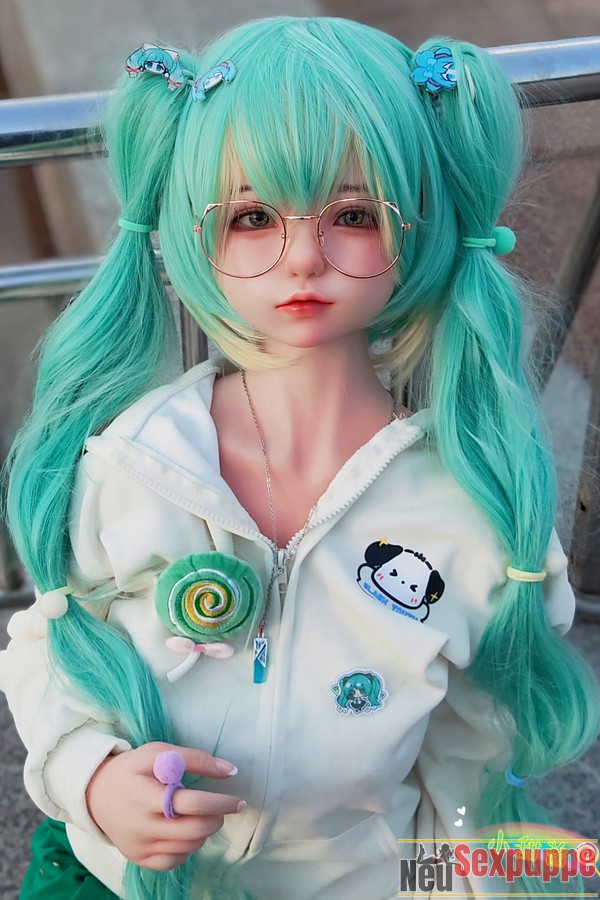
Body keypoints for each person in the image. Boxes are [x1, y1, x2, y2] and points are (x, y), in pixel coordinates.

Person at [0, 15, 597, 900]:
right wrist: (88, 777)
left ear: (420, 223)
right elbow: (51, 639)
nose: (303, 259)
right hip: (122, 880)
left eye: (353, 215)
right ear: (192, 231)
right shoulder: (136, 463)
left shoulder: (472, 514)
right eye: (252, 217)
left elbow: (467, 776)